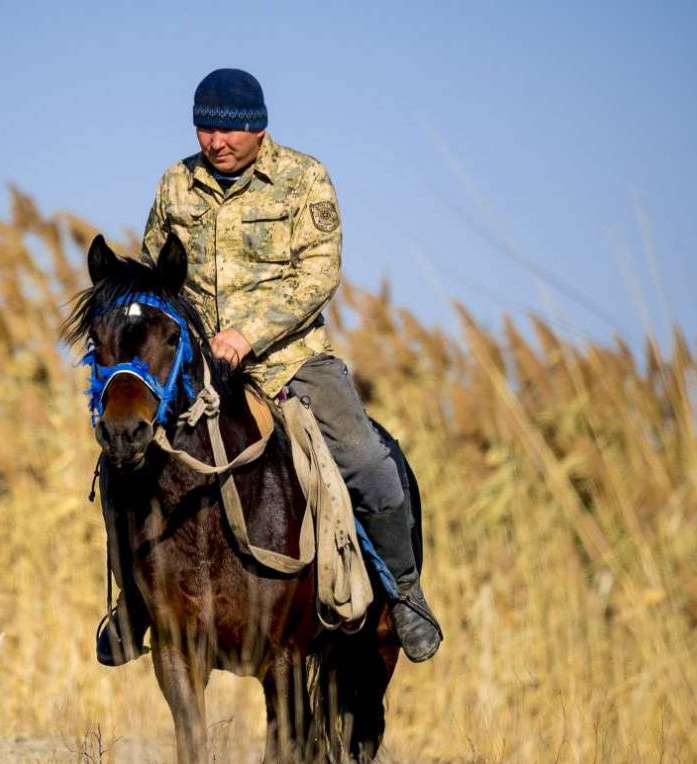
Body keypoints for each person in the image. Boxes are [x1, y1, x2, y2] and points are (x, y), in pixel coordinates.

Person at [97, 68, 441, 665]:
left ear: (260, 128)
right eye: (205, 129)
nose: (216, 142)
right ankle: (131, 604)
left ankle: (404, 596)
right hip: (195, 366)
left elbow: (318, 273)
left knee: (367, 460)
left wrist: (248, 335)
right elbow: (157, 276)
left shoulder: (304, 179)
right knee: (122, 456)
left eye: (230, 131)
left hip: (290, 364)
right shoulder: (176, 184)